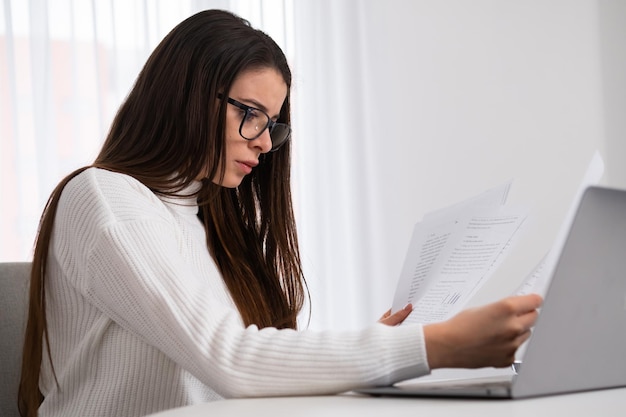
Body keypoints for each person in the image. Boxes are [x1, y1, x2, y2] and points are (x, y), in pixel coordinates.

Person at [18, 9, 542, 417]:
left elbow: (244, 366)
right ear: (187, 94)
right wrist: (436, 345)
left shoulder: (203, 220)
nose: (266, 142)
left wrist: (378, 348)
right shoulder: (106, 197)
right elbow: (230, 360)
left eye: (272, 123)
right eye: (250, 114)